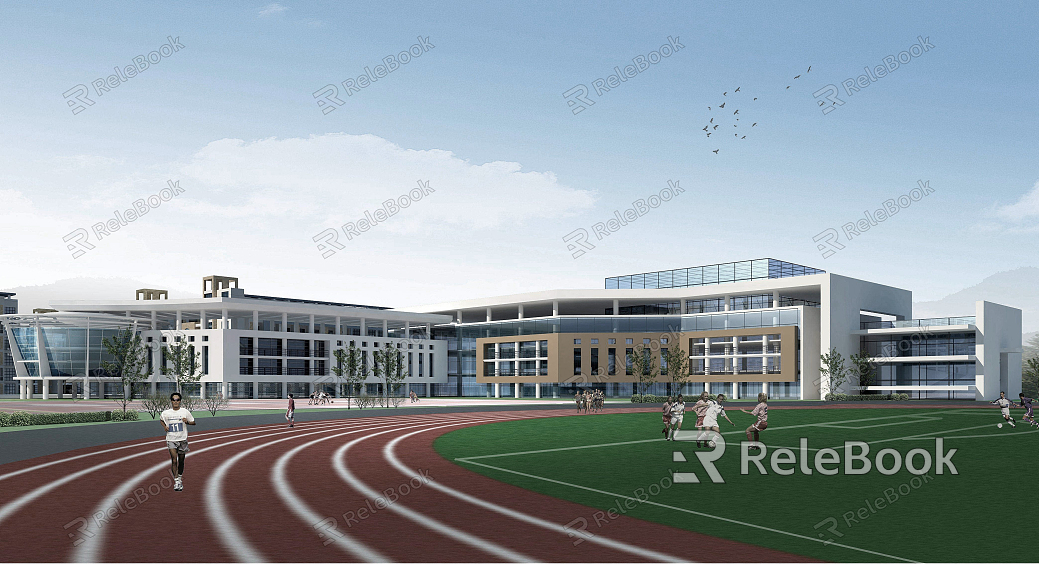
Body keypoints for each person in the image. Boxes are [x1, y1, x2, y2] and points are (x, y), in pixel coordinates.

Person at [160, 392, 196, 491]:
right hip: (171, 439)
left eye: (177, 400)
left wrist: (187, 422)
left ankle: (179, 477)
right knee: (174, 460)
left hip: (182, 439)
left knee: (181, 460)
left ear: (180, 401)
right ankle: (176, 481)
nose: (176, 402)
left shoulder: (185, 411)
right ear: (171, 401)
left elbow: (193, 422)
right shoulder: (166, 413)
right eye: (174, 400)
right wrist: (165, 427)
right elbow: (161, 420)